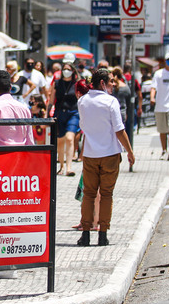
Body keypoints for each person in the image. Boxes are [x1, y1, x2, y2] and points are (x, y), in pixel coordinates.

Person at [76, 68, 135, 247]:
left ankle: (85, 234)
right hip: (109, 154)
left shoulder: (82, 101)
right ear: (102, 83)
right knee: (107, 194)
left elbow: (84, 126)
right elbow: (119, 130)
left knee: (89, 194)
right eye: (110, 81)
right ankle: (103, 234)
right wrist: (130, 152)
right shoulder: (111, 102)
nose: (113, 84)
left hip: (90, 155)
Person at [0, 70, 33, 146]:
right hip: (21, 155)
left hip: (1, 156)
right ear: (10, 87)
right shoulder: (24, 109)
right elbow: (30, 141)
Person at [51, 62, 80, 176]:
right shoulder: (57, 83)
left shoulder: (76, 84)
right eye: (64, 69)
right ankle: (61, 166)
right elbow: (52, 98)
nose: (66, 71)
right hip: (60, 113)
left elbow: (80, 98)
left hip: (73, 113)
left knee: (69, 138)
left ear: (73, 71)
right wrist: (49, 111)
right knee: (60, 140)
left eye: (68, 69)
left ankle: (69, 167)